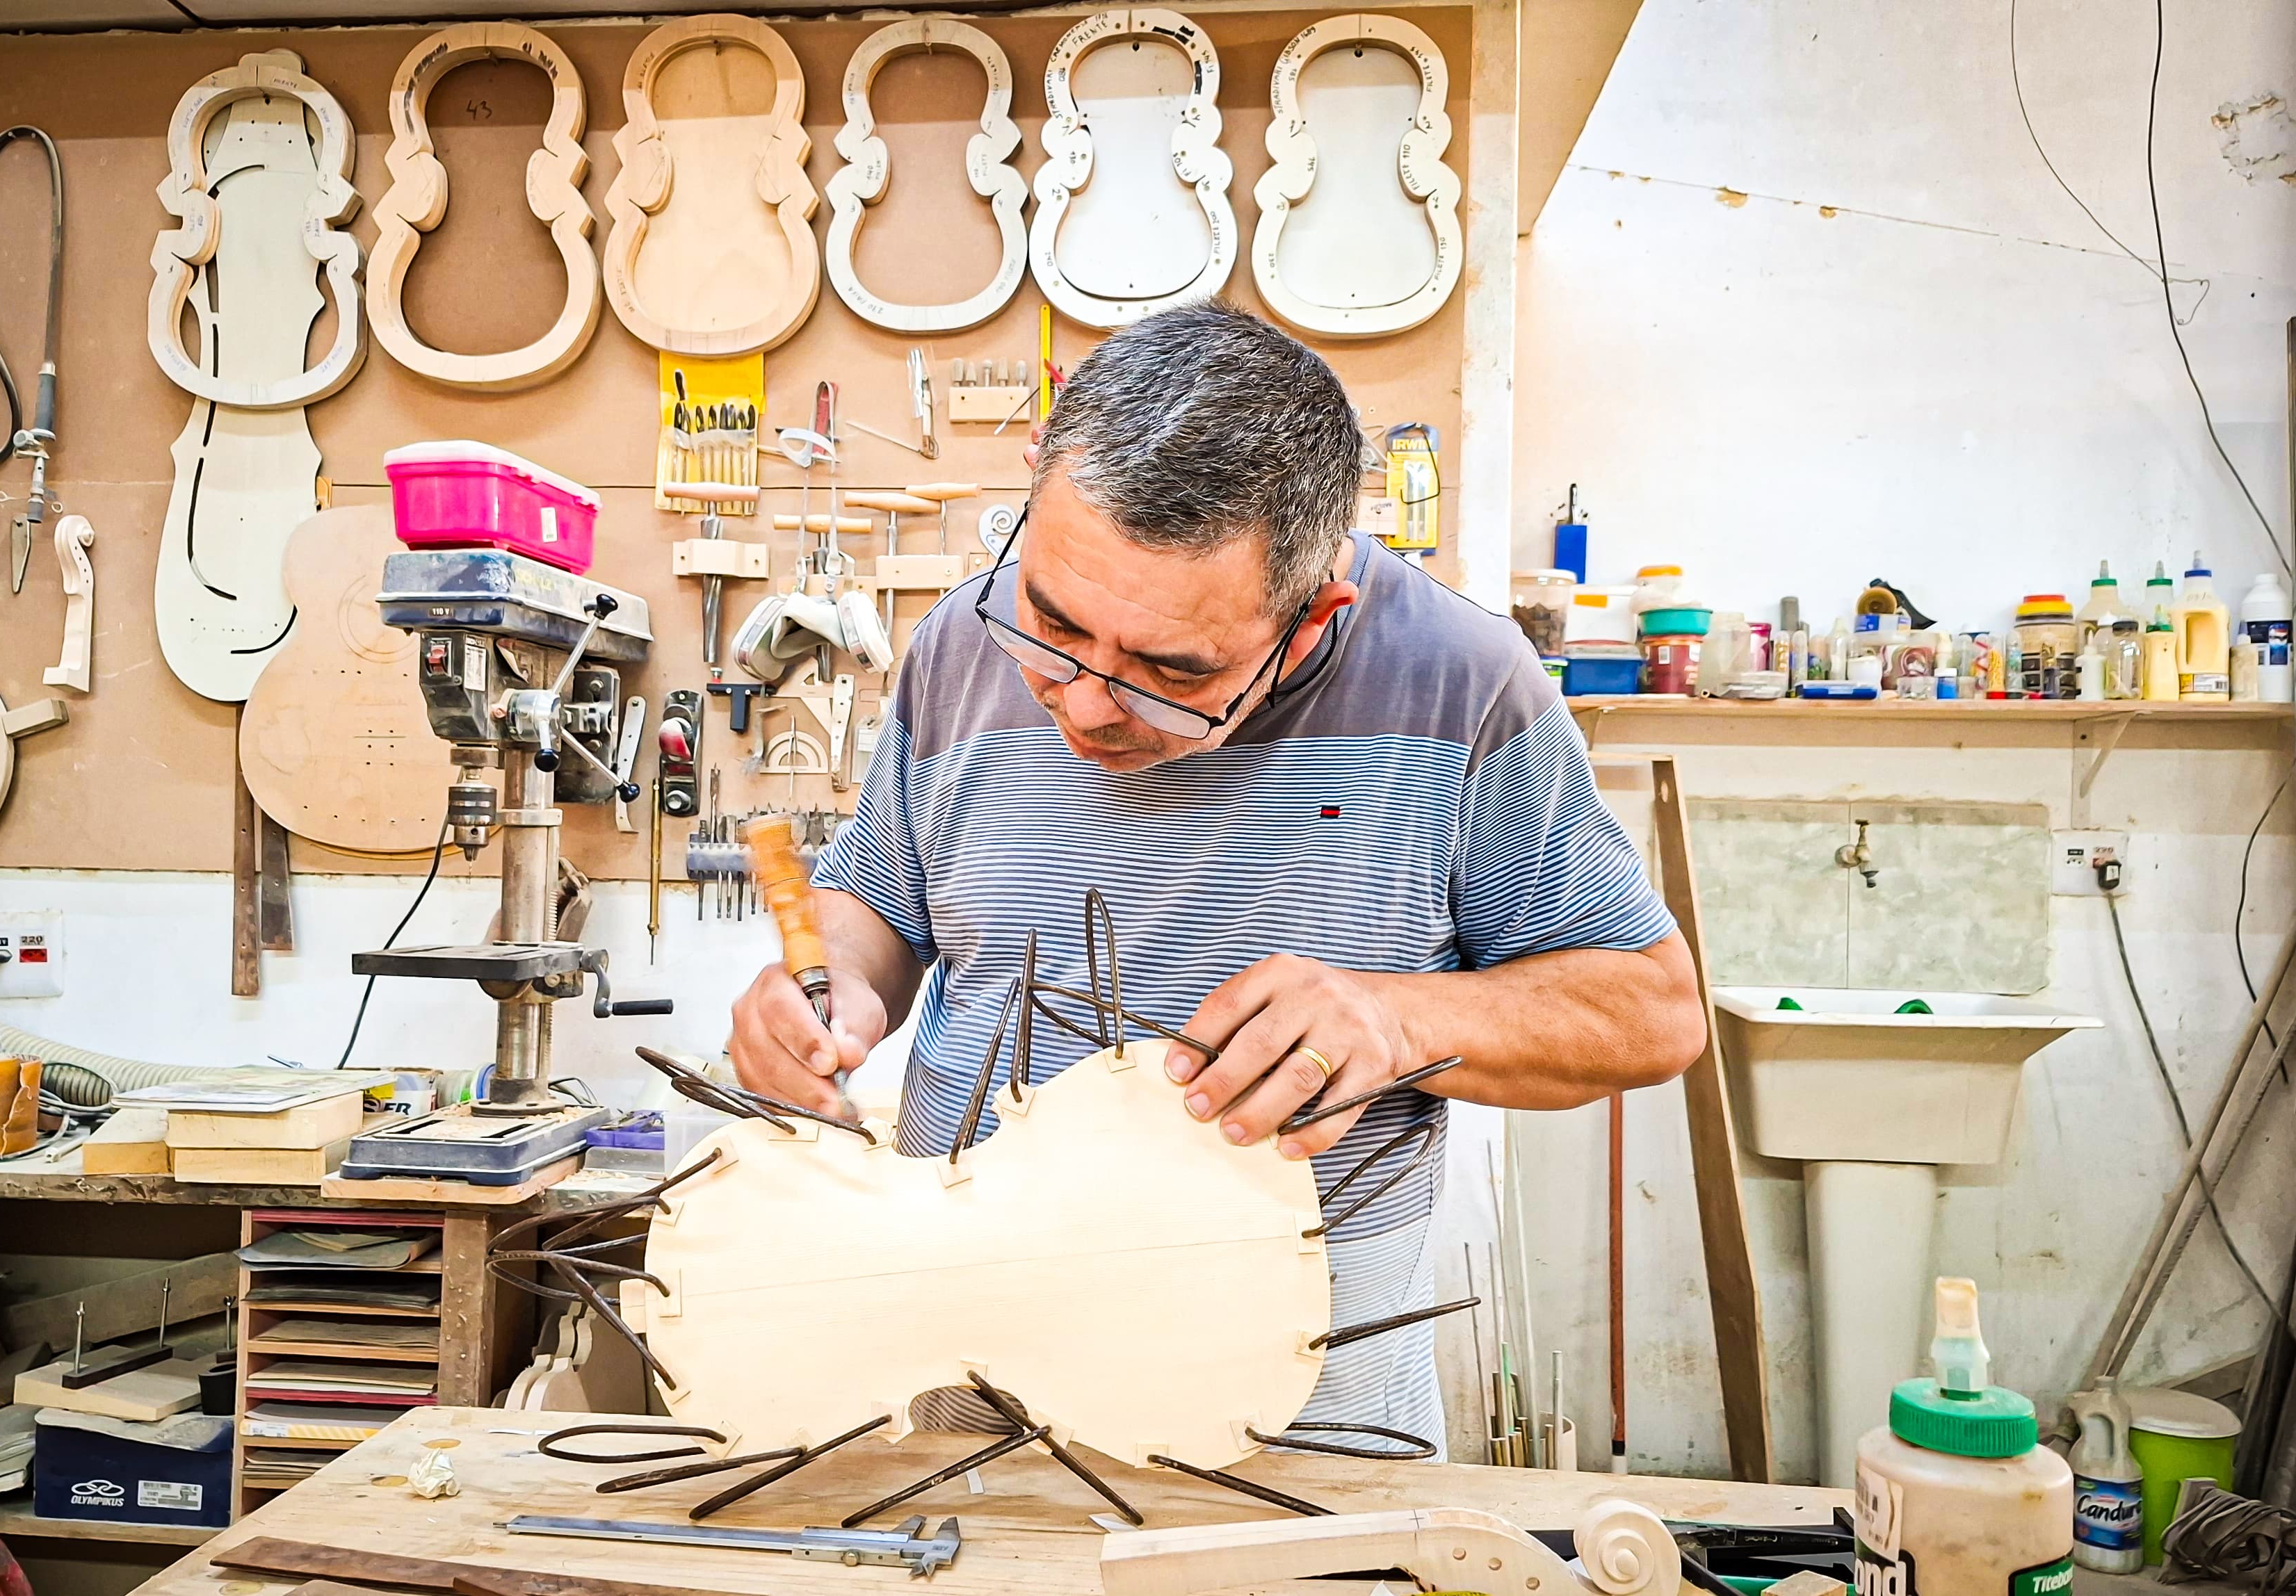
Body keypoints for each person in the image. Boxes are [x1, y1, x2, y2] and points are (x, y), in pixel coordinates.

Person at [729, 300, 1705, 1440]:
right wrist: (830, 985)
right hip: (965, 1411)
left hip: (1297, 1439)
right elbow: (880, 901)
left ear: (1311, 617)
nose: (1084, 703)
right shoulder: (959, 643)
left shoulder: (1464, 683)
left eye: (1167, 671)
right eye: (1051, 624)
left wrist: (1393, 1019)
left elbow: (1651, 1012)